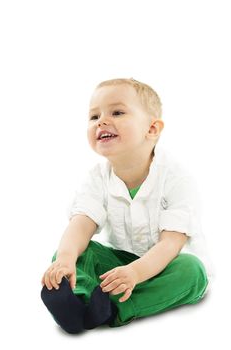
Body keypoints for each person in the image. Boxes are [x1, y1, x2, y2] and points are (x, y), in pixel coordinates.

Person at [40, 78, 213, 334]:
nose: (101, 121)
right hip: (116, 267)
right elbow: (81, 224)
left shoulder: (176, 179)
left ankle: (117, 308)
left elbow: (170, 243)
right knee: (76, 251)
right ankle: (76, 300)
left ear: (152, 129)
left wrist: (135, 273)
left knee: (193, 272)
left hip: (165, 265)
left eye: (117, 112)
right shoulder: (96, 178)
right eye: (94, 116)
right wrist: (65, 260)